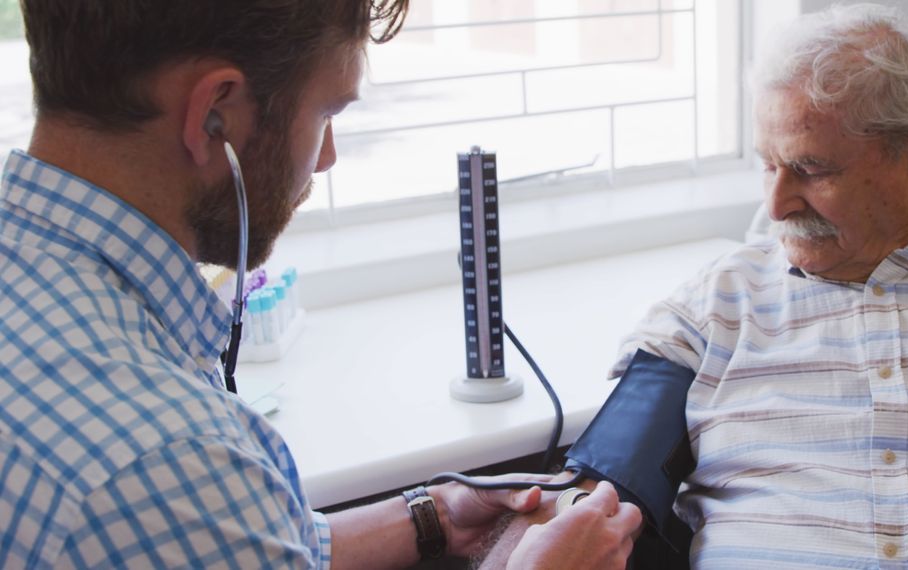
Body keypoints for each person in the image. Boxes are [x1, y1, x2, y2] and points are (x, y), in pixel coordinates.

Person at [0, 1, 641, 567]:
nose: (327, 155)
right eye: (326, 112)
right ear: (214, 115)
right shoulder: (168, 460)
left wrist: (436, 516)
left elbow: (230, 543)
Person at [481, 3, 908, 568]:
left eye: (812, 169)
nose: (775, 204)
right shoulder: (717, 305)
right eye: (767, 164)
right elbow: (586, 498)